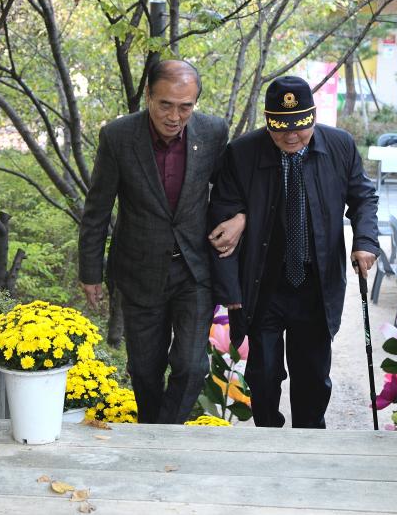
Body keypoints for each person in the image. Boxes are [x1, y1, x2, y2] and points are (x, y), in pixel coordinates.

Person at [78, 60, 244, 424]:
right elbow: (98, 207)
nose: (175, 116)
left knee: (191, 365)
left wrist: (240, 218)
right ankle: (154, 435)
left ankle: (162, 435)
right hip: (138, 268)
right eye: (165, 104)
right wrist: (91, 270)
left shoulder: (213, 131)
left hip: (194, 267)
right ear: (149, 96)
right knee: (144, 369)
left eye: (185, 106)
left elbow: (231, 189)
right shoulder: (118, 137)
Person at [209, 75, 380, 428]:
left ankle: (310, 437)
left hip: (315, 283)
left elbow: (363, 198)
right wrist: (231, 294)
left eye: (299, 127)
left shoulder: (340, 146)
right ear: (268, 120)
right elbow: (221, 223)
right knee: (264, 374)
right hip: (262, 282)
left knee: (313, 376)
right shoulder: (242, 153)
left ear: (313, 116)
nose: (291, 136)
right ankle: (269, 435)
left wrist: (365, 241)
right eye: (281, 127)